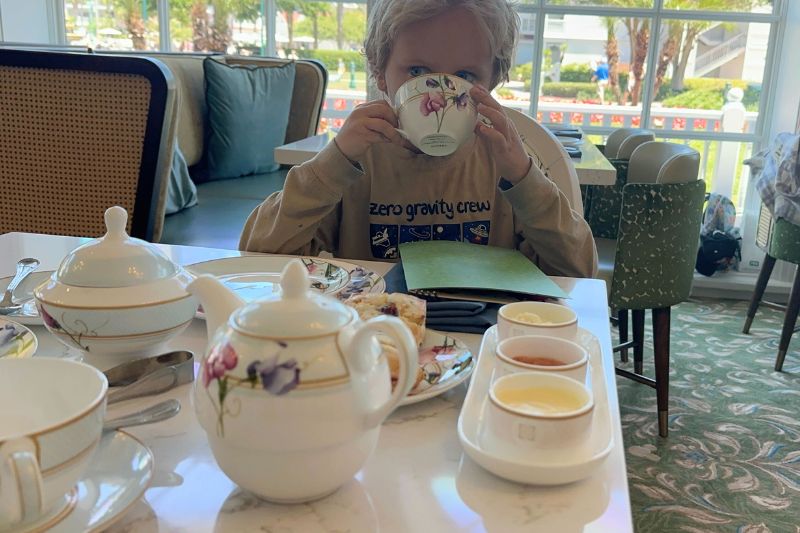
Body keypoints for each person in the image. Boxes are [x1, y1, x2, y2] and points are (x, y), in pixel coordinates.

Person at [240, 0, 597, 278]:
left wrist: (524, 178)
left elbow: (578, 271)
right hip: (378, 344)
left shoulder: (503, 162)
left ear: (490, 82)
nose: (440, 91)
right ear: (380, 73)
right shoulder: (357, 160)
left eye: (463, 74)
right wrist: (334, 162)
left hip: (484, 345)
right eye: (417, 71)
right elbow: (257, 255)